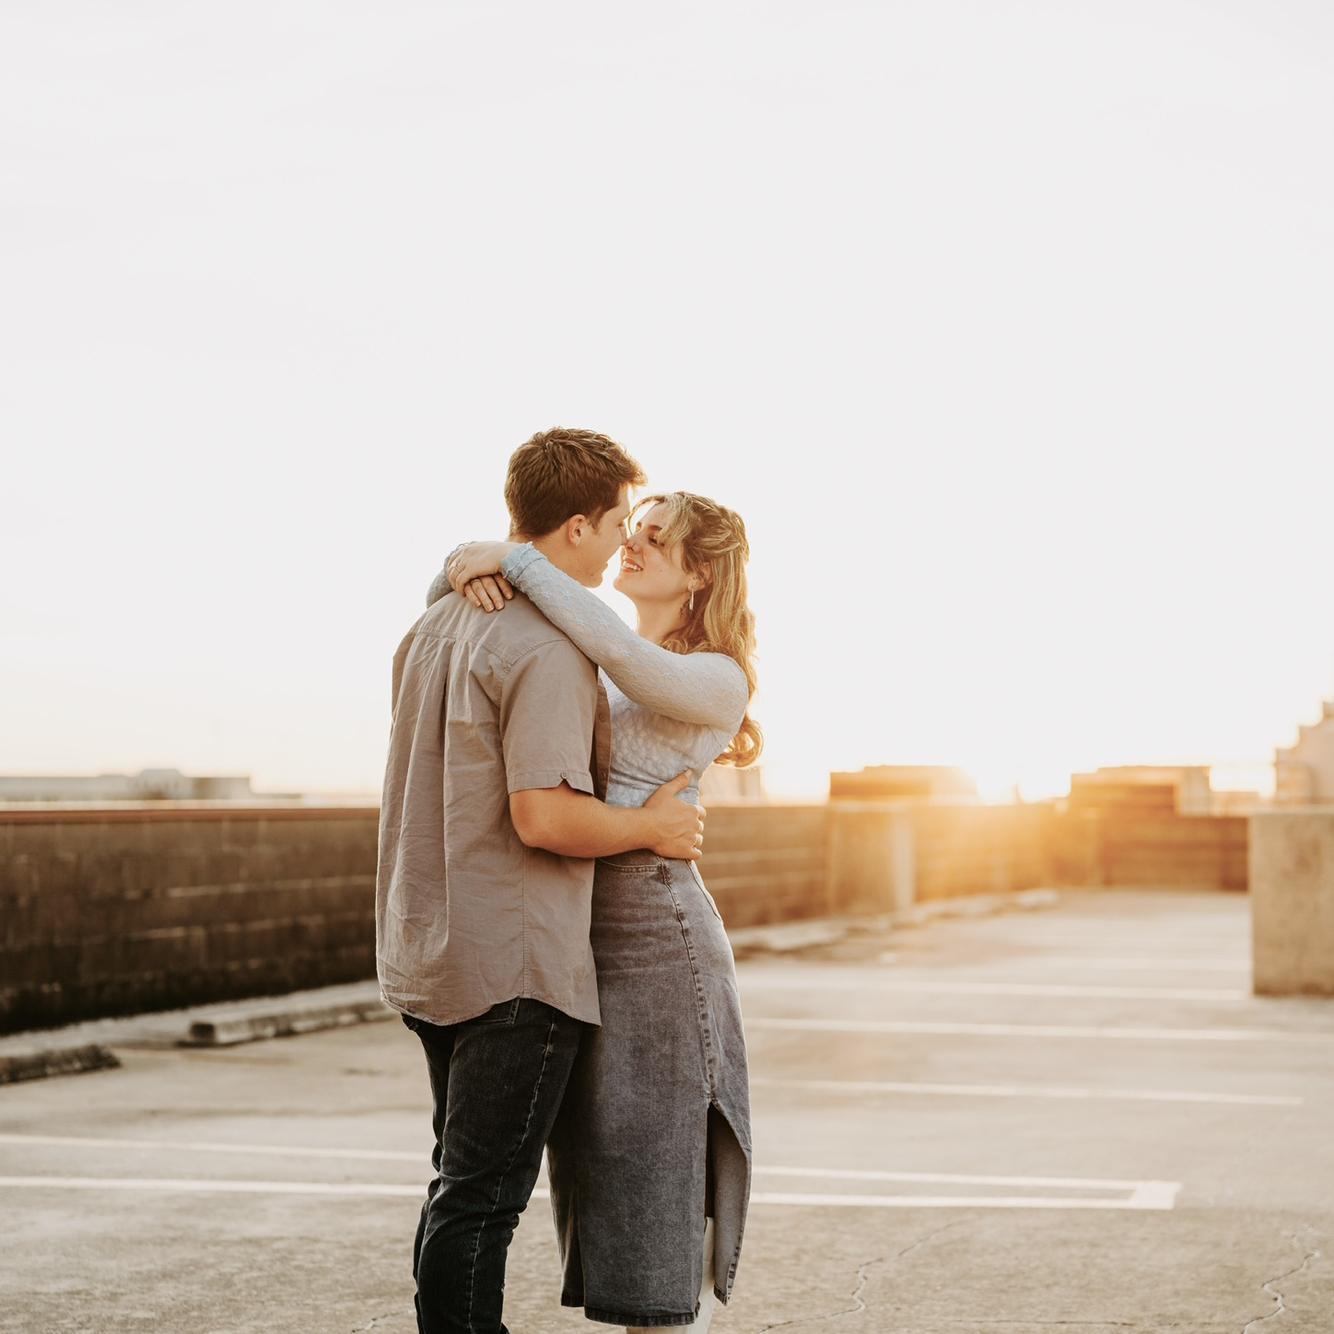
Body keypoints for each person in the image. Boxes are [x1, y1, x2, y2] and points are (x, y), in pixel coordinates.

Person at [376, 428, 708, 1334]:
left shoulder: (435, 621)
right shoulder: (552, 648)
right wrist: (652, 826)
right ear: (575, 527)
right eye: (613, 528)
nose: (618, 548)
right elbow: (546, 816)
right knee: (481, 1203)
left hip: (429, 945)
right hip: (513, 965)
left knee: (457, 1184)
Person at [439, 487, 761, 1332]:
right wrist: (458, 568)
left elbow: (623, 654)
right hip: (573, 930)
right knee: (593, 1165)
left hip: (657, 937)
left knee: (651, 1169)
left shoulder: (716, 676)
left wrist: (514, 559)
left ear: (698, 575)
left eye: (659, 539)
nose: (637, 545)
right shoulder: (584, 652)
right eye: (637, 530)